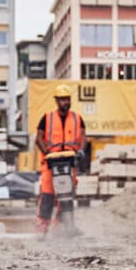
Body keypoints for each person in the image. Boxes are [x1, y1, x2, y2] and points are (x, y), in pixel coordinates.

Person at [35, 84, 87, 236]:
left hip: (70, 162)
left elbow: (83, 137)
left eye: (67, 99)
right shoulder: (47, 118)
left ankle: (64, 228)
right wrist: (46, 154)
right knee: (47, 197)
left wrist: (81, 150)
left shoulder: (77, 119)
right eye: (62, 99)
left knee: (67, 196)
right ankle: (41, 229)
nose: (65, 102)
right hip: (51, 164)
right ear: (57, 101)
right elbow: (38, 138)